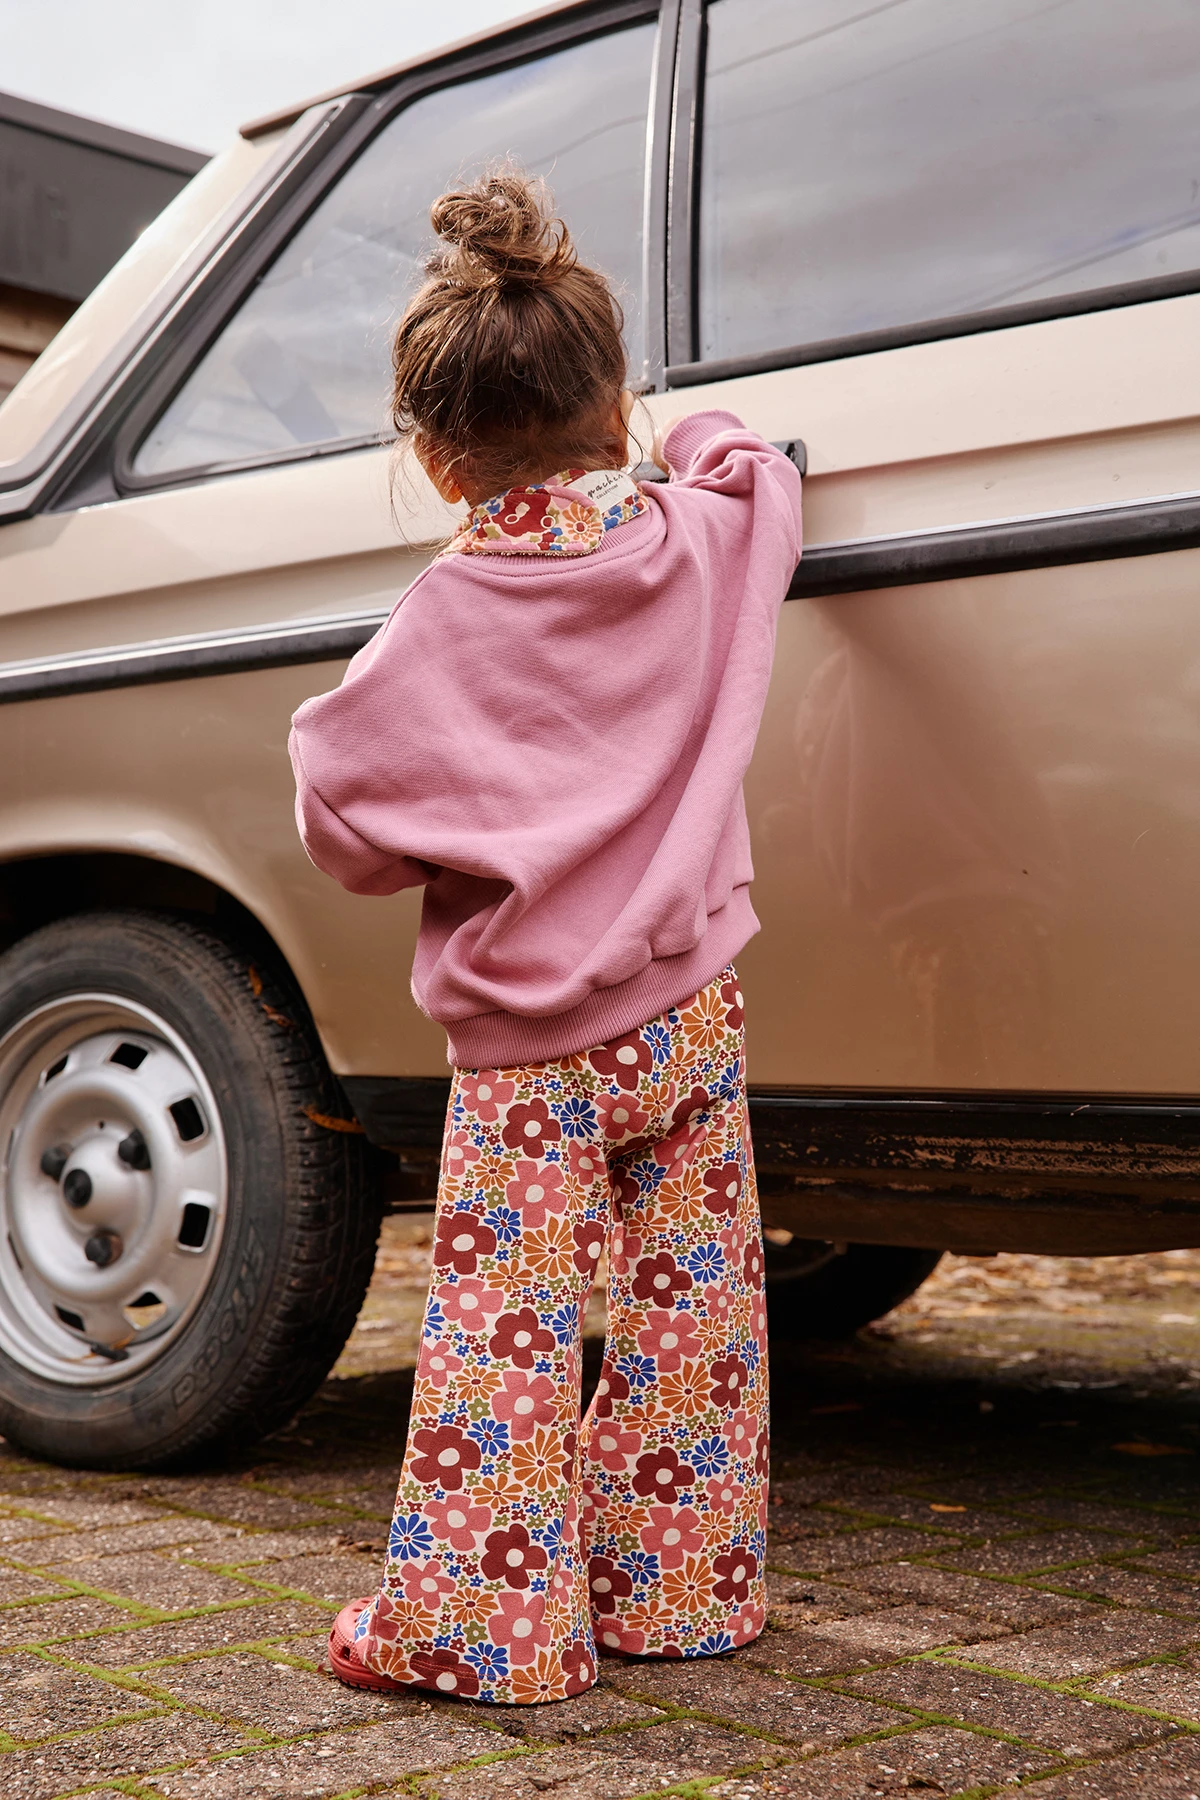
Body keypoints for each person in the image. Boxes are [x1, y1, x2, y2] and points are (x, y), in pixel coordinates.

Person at [288, 167, 803, 1705]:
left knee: (503, 1323)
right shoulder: (702, 537)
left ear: (437, 459)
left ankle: (483, 1631)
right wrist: (694, 438)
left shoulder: (442, 617)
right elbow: (757, 473)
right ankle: (682, 1594)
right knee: (693, 1302)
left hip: (534, 1048)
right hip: (692, 1009)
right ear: (617, 401)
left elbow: (342, 817)